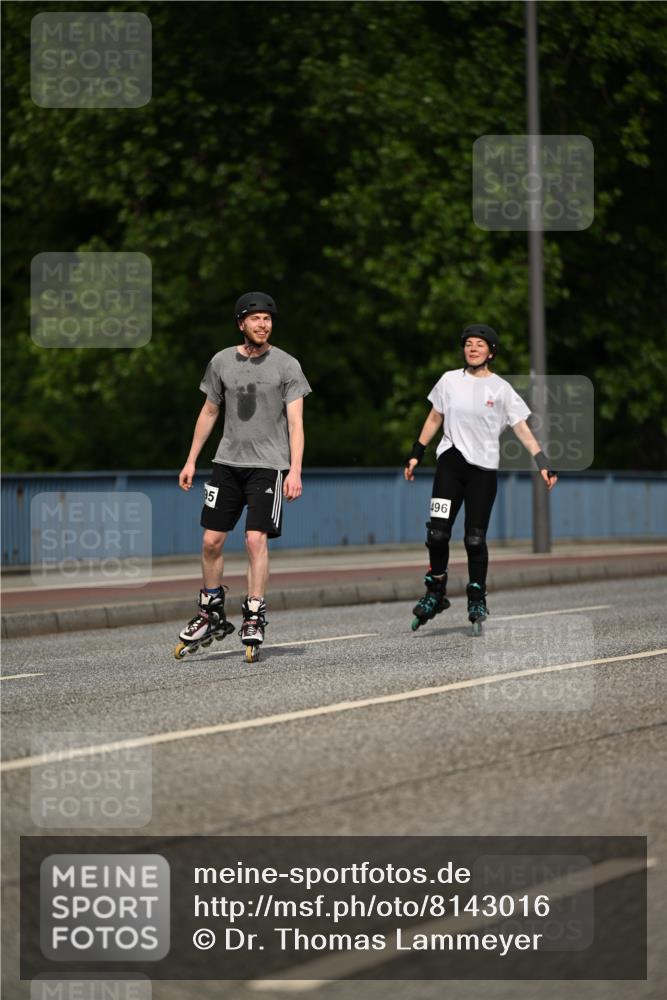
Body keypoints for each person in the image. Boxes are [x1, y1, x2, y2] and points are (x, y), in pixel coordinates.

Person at [176, 291, 311, 660]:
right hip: (226, 464)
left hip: (269, 467)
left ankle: (254, 614)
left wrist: (295, 470)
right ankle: (211, 611)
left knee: (254, 540)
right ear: (241, 323)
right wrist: (191, 460)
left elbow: (297, 423)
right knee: (211, 541)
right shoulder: (221, 362)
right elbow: (208, 412)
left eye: (267, 318)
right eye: (255, 318)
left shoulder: (287, 365)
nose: (262, 324)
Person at [404, 323, 557, 630]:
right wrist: (416, 452)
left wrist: (542, 460)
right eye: (468, 344)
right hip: (450, 462)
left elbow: (521, 429)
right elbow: (435, 417)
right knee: (437, 533)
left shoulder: (501, 389)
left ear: (491, 352)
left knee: (474, 539)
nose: (472, 348)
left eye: (479, 344)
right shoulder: (449, 381)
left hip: (483, 471)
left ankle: (477, 595)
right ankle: (436, 589)